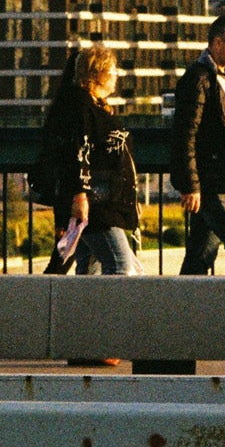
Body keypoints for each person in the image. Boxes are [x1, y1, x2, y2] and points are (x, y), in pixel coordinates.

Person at [41, 42, 140, 275]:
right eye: (113, 70)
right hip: (95, 205)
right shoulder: (81, 106)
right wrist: (79, 195)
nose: (116, 75)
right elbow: (78, 150)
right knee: (121, 265)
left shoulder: (97, 106)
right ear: (97, 73)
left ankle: (82, 311)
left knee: (88, 268)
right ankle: (113, 312)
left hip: (102, 202)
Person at [170, 12, 225, 276]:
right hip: (212, 182)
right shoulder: (200, 79)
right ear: (218, 43)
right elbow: (185, 135)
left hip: (218, 179)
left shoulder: (221, 77)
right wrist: (191, 185)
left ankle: (183, 311)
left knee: (200, 256)